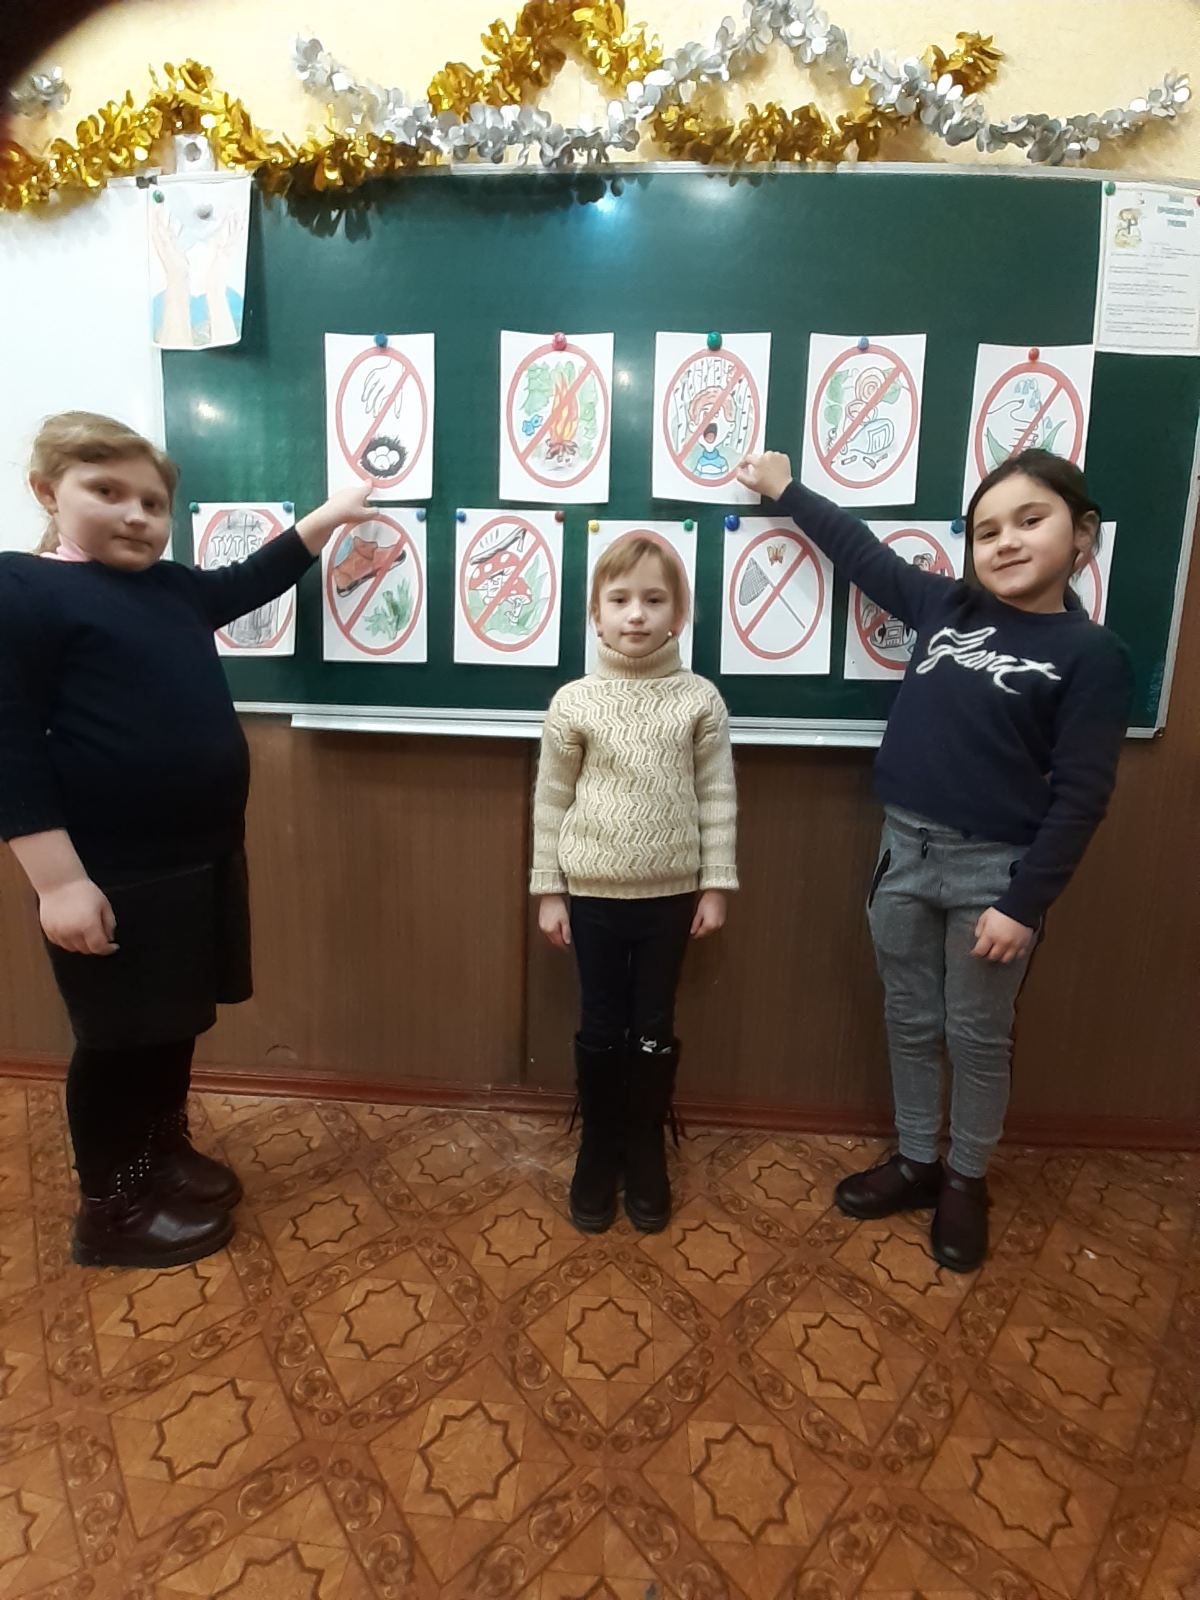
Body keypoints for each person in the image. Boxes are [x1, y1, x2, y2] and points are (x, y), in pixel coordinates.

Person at [736, 447, 1132, 1271]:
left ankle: (965, 1179)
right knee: (910, 1017)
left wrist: (1023, 905)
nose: (1007, 541)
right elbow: (860, 553)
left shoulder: (1091, 655)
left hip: (996, 875)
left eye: (1031, 520)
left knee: (977, 1034)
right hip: (903, 856)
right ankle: (918, 1159)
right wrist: (784, 489)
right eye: (987, 530)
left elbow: (1082, 798)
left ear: (1082, 534)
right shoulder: (945, 604)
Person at [0, 410, 376, 1268]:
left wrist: (328, 518)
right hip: (110, 870)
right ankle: (111, 1209)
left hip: (199, 858)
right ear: (46, 493)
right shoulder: (21, 590)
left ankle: (159, 1151)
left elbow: (250, 580)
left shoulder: (170, 588)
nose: (137, 515)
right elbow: (9, 744)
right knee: (117, 1040)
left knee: (171, 1025)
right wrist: (58, 883)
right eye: (108, 492)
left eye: (154, 502)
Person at [531, 536, 738, 1233]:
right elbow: (551, 800)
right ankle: (599, 1142)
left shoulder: (700, 700)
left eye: (654, 599)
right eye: (619, 599)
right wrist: (549, 890)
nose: (637, 614)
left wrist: (715, 884)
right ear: (595, 612)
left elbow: (717, 796)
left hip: (672, 898)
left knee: (653, 1023)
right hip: (591, 896)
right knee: (599, 1022)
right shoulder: (574, 702)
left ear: (679, 613)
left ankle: (644, 1142)